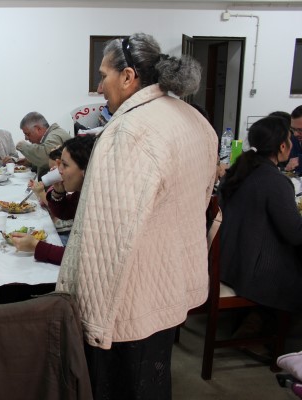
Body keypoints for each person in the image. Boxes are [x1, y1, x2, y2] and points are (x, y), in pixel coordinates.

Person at [56, 33, 217, 399]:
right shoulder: (191, 117)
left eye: (103, 76)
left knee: (124, 386)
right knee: (153, 379)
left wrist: (89, 320)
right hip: (168, 282)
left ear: (128, 76)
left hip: (127, 298)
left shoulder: (130, 130)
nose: (100, 88)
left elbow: (108, 235)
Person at [219, 116, 302, 313]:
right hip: (253, 273)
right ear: (282, 146)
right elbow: (296, 234)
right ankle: (261, 320)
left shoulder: (238, 171)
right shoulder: (275, 181)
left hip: (229, 264)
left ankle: (256, 320)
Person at [11, 134, 96, 263]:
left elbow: (81, 257)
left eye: (65, 165)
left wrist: (36, 246)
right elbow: (65, 213)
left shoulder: (98, 203)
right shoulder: (82, 192)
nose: (59, 170)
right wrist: (58, 192)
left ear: (86, 170)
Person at [16, 111, 71, 179]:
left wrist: (23, 146)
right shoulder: (53, 134)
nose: (26, 138)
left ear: (38, 129)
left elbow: (47, 158)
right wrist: (30, 162)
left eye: (28, 134)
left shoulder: (54, 136)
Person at [284, 106, 302, 174]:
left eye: (301, 130)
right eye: (293, 129)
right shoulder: (292, 140)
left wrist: (300, 160)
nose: (295, 134)